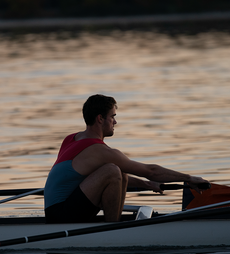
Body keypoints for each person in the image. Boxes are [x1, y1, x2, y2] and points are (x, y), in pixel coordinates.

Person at [43, 94, 210, 223]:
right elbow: (150, 171)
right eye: (112, 116)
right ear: (100, 119)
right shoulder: (99, 151)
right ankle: (114, 230)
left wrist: (147, 184)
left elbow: (97, 179)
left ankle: (113, 226)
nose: (115, 122)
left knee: (117, 172)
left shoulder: (72, 138)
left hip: (56, 211)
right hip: (61, 217)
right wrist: (189, 179)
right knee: (112, 170)